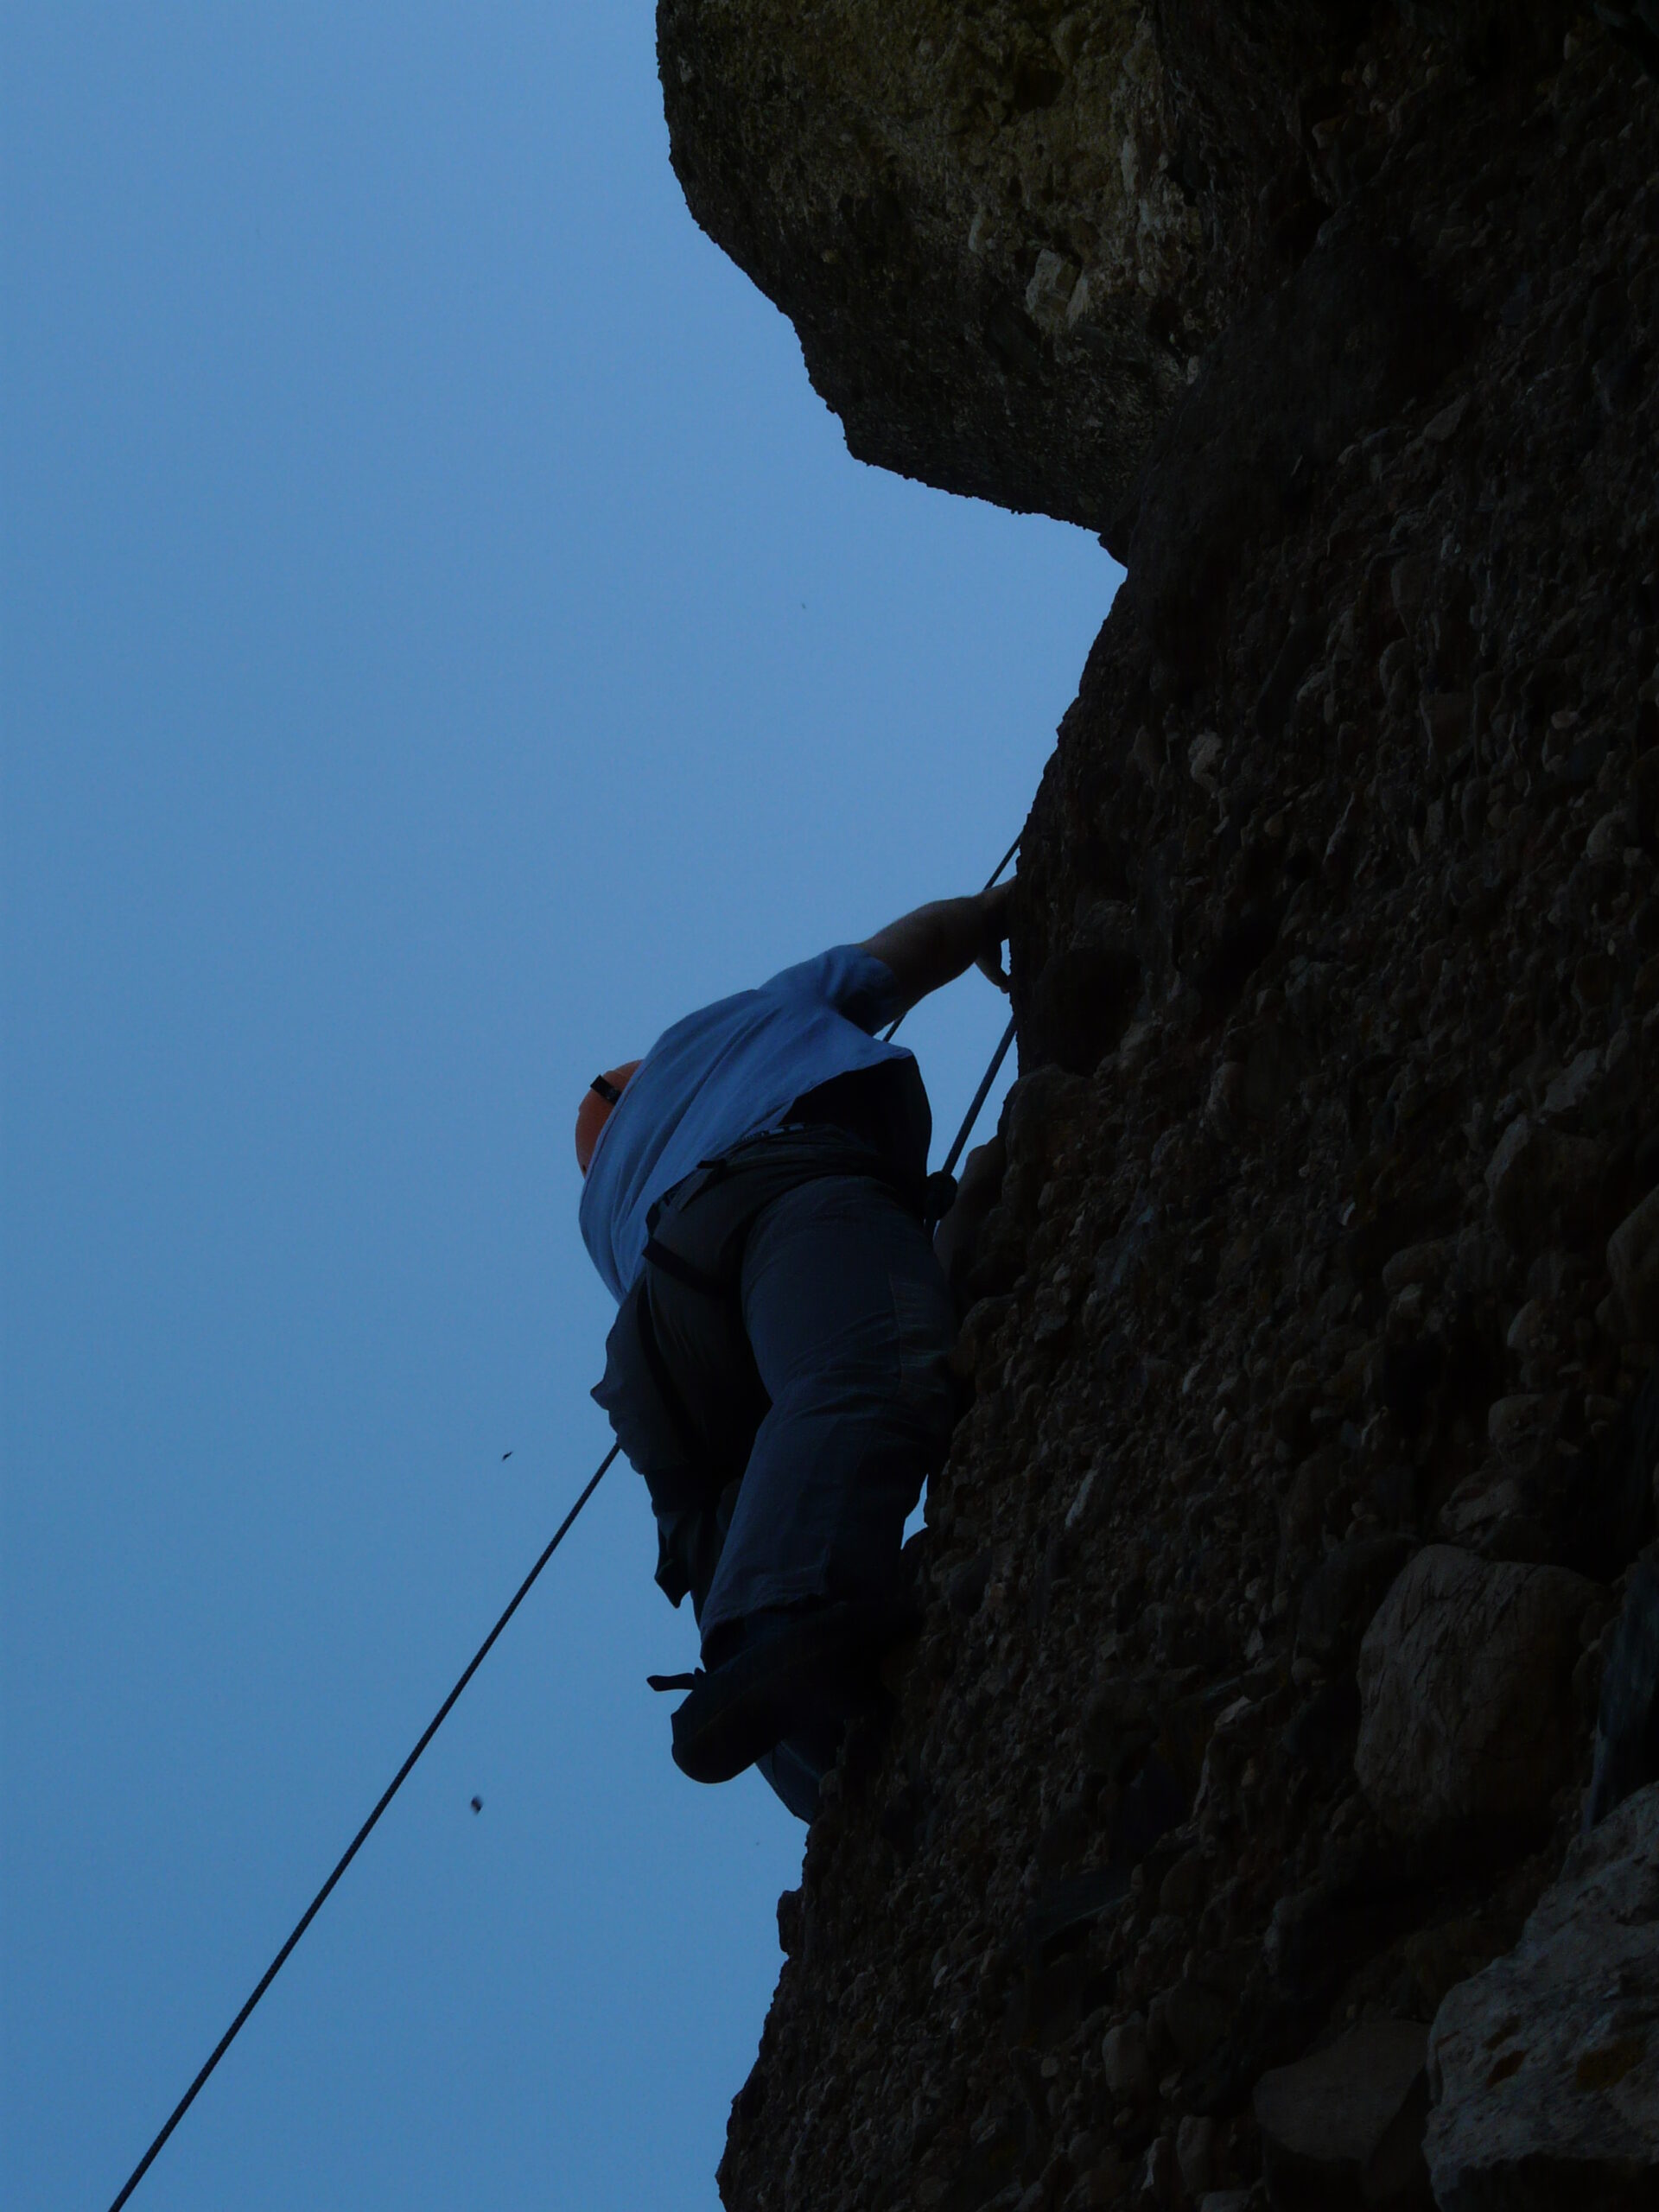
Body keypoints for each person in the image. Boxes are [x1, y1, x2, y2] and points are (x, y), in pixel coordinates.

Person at [577, 884, 1014, 1819]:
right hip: (779, 1189)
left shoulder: (600, 1203)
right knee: (863, 1372)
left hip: (656, 1342)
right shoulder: (734, 1024)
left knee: (732, 1531)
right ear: (649, 1067)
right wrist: (999, 911)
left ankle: (838, 1783)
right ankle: (783, 1623)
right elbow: (915, 944)